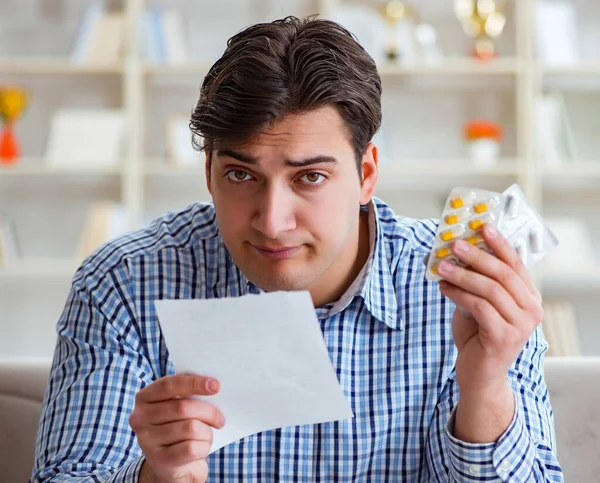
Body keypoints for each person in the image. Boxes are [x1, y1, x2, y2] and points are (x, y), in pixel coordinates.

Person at [32, 16, 563, 483]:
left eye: (309, 176)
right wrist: (157, 478)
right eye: (241, 174)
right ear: (209, 173)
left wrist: (485, 386)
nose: (272, 220)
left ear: (366, 175)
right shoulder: (123, 283)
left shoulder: (469, 292)